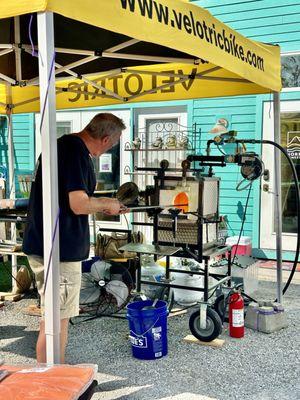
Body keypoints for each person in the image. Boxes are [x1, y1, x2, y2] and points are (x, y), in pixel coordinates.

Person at [22, 113, 127, 363]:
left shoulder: (60, 147)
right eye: (112, 144)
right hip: (59, 250)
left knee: (55, 317)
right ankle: (49, 380)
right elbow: (78, 204)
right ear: (104, 139)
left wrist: (104, 202)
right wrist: (106, 204)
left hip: (47, 245)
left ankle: (50, 374)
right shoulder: (75, 152)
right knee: (56, 321)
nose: (110, 148)